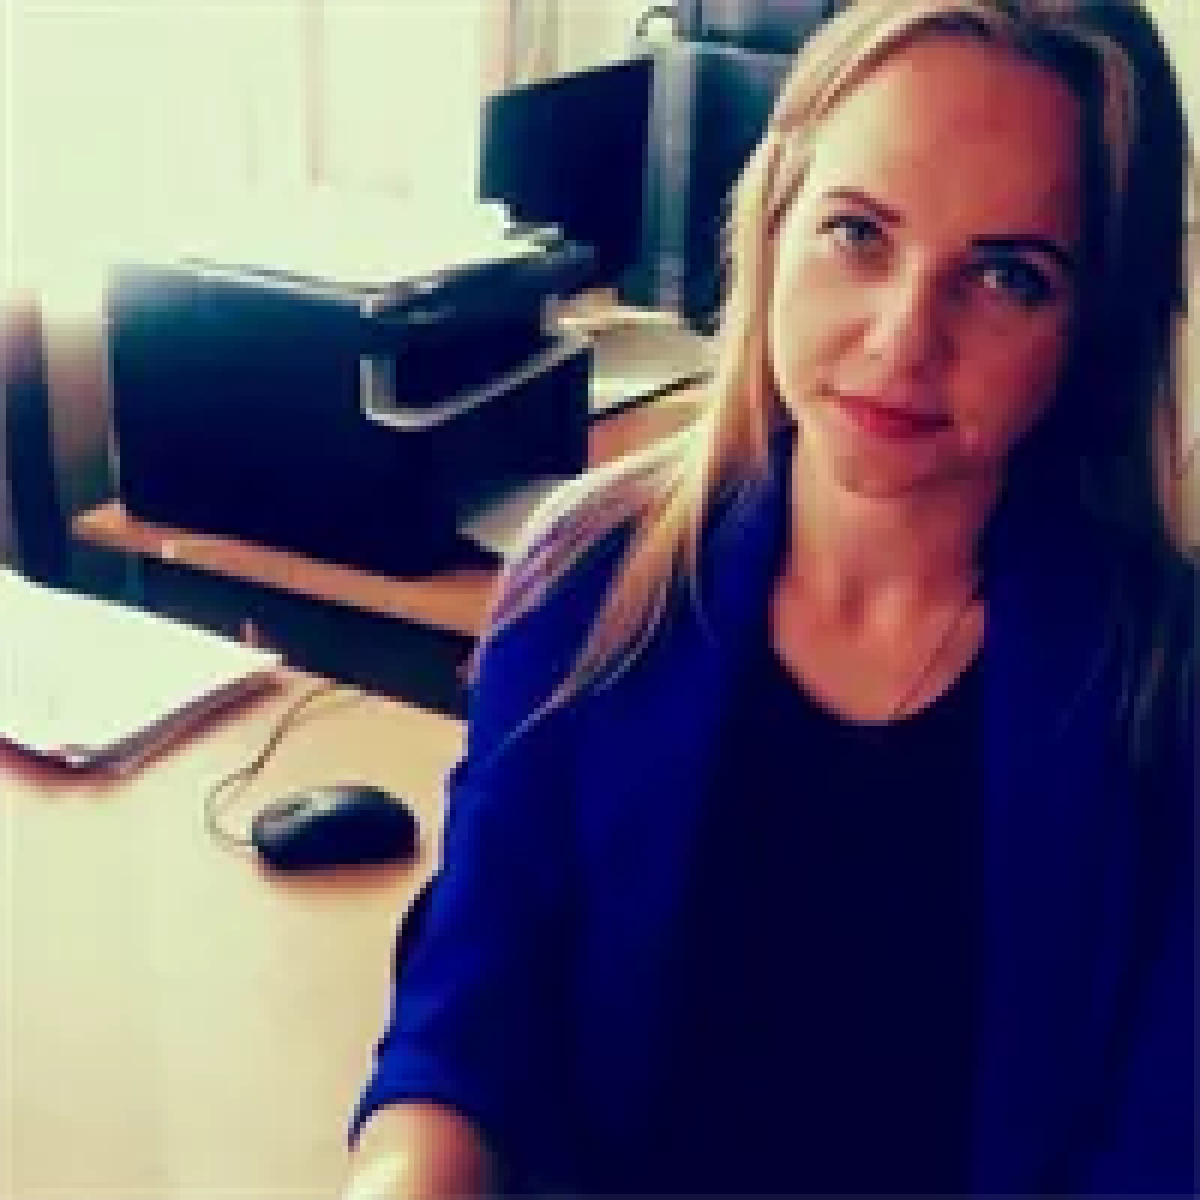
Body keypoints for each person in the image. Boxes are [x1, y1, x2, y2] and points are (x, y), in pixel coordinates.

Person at [344, 1, 1195, 1194]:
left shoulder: (1164, 683)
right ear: (775, 219)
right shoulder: (588, 581)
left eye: (1008, 275)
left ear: (1092, 330)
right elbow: (471, 1021)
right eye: (859, 232)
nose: (903, 340)